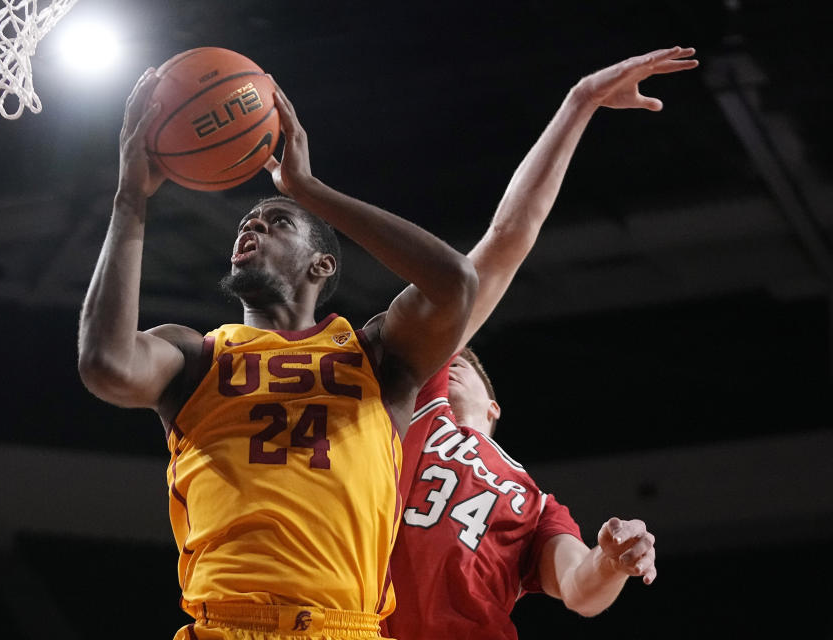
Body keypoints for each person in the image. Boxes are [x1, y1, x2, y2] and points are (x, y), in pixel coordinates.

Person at [76, 68, 477, 640]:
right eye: (245, 223)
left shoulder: (375, 354)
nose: (250, 227)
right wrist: (128, 200)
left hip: (346, 627)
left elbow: (454, 282)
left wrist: (308, 192)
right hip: (226, 626)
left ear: (322, 265)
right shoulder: (194, 355)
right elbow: (106, 365)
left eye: (275, 222)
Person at [383, 46, 698, 639]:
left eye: (466, 365)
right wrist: (579, 101)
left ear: (494, 408)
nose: (453, 364)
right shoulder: (412, 402)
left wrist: (611, 560)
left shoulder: (531, 499)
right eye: (452, 355)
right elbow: (505, 240)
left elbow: (580, 591)